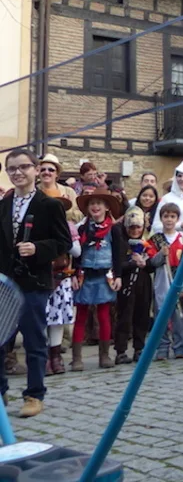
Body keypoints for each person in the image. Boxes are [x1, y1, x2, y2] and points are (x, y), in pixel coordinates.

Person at [0, 149, 71, 418]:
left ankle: (34, 394)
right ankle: (1, 391)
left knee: (33, 339)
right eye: (12, 168)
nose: (17, 172)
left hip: (34, 281)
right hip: (5, 282)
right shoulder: (3, 205)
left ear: (35, 169)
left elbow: (64, 242)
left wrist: (38, 248)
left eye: (23, 167)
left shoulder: (49, 205)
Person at [73, 188, 125, 370]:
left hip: (105, 276)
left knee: (104, 316)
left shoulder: (114, 229)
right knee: (81, 315)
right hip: (85, 275)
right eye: (92, 204)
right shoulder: (82, 229)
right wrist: (74, 274)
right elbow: (76, 255)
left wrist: (118, 276)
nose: (95, 207)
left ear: (107, 208)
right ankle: (77, 358)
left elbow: (118, 254)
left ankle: (104, 355)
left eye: (99, 204)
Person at [112, 207, 154, 364]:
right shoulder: (122, 243)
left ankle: (139, 348)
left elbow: (152, 265)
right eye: (132, 227)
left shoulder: (147, 242)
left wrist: (145, 263)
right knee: (124, 317)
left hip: (143, 283)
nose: (135, 230)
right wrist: (132, 263)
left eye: (138, 227)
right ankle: (121, 350)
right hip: (127, 284)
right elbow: (118, 265)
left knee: (142, 316)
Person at [44, 197, 80, 375]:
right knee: (41, 318)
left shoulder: (68, 226)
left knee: (57, 319)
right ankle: (43, 357)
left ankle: (56, 356)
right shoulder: (38, 226)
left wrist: (65, 237)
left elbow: (77, 252)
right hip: (40, 277)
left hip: (61, 277)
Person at [149, 202, 183, 360]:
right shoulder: (155, 240)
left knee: (178, 315)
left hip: (177, 277)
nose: (169, 220)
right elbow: (152, 262)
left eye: (172, 216)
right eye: (166, 216)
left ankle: (179, 347)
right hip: (162, 278)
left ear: (177, 219)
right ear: (161, 218)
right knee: (160, 316)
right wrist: (161, 254)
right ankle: (162, 348)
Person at [37, 154, 81, 224]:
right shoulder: (33, 191)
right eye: (43, 170)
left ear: (57, 173)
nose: (46, 172)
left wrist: (66, 212)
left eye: (51, 170)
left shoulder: (69, 192)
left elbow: (79, 213)